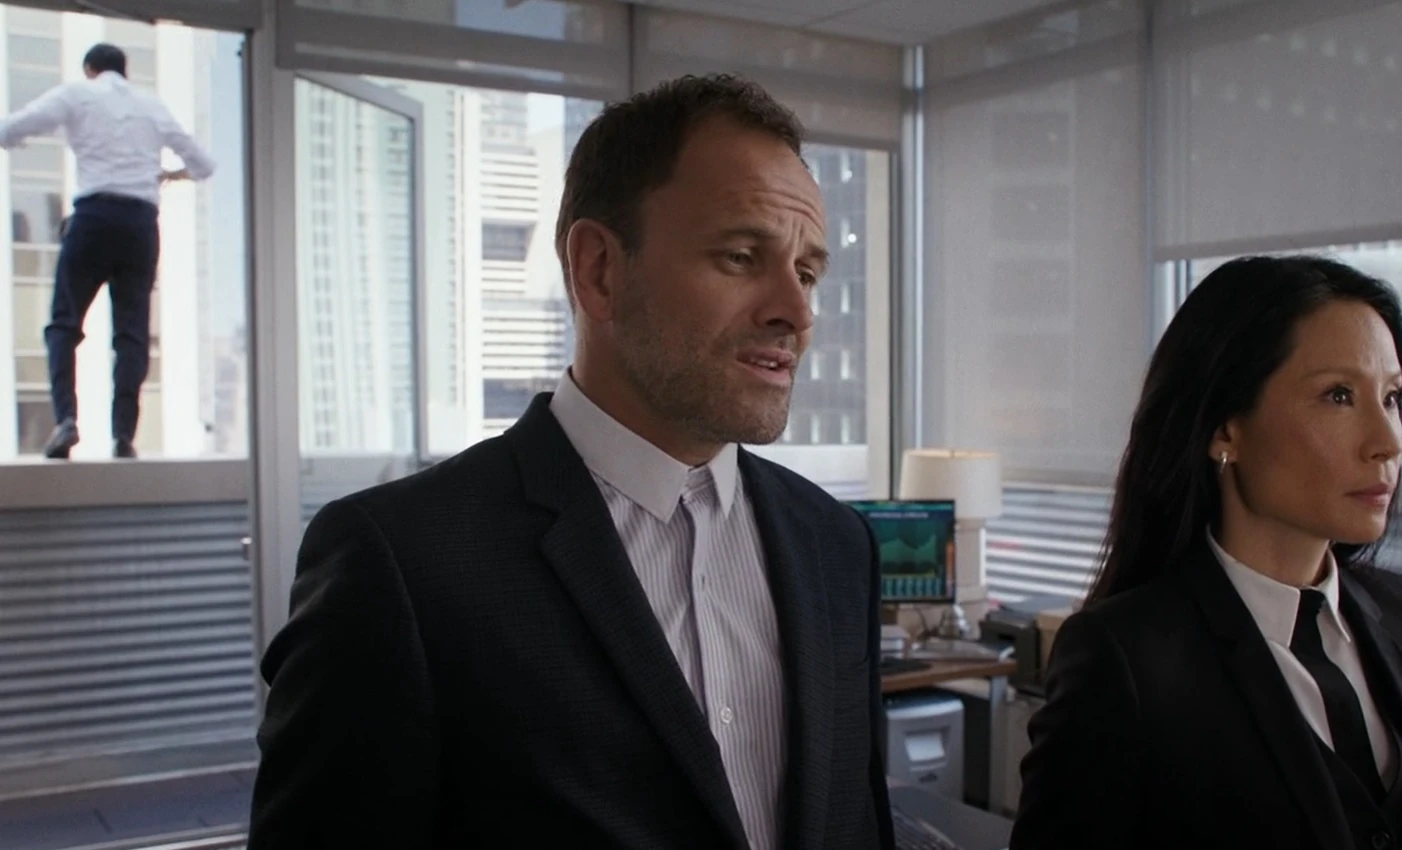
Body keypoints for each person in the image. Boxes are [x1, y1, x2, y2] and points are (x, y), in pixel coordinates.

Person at [248, 74, 894, 850]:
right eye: (740, 256)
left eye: (808, 272)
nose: (796, 311)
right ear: (599, 270)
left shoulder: (836, 545)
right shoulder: (401, 566)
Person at [1010, 255, 1402, 850]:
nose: (1387, 441)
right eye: (1339, 395)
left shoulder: (1395, 610)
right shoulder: (1122, 662)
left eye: (1393, 397)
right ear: (1225, 429)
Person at [0, 43, 215, 460]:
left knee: (64, 325)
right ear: (124, 70)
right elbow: (203, 164)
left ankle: (66, 420)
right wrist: (169, 174)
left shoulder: (77, 94)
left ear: (89, 69)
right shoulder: (151, 106)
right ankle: (123, 435)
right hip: (140, 224)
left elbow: (12, 129)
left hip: (93, 218)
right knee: (131, 334)